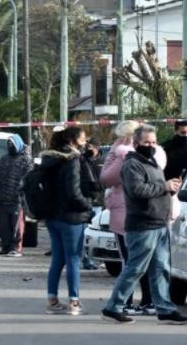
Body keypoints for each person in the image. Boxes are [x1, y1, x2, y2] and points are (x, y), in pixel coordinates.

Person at [101, 125, 187, 325]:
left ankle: (165, 309)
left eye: (153, 142)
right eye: (146, 142)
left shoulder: (152, 163)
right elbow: (137, 190)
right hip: (142, 225)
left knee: (161, 268)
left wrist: (171, 189)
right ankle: (113, 307)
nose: (150, 146)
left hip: (159, 223)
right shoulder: (132, 164)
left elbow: (156, 189)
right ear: (135, 143)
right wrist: (164, 186)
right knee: (136, 268)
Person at [100, 121, 164, 315]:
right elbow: (107, 178)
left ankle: (135, 302)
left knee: (138, 262)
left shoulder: (136, 156)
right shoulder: (139, 156)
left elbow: (108, 177)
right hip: (138, 213)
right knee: (140, 262)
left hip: (138, 214)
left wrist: (117, 154)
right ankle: (135, 302)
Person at [40, 127, 92, 316]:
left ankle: (52, 301)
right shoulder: (72, 160)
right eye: (83, 138)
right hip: (72, 216)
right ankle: (74, 302)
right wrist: (87, 205)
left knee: (58, 259)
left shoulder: (49, 159)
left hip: (52, 216)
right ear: (72, 140)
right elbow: (73, 191)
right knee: (73, 259)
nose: (85, 142)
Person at [0, 134, 32, 257]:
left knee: (17, 227)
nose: (10, 146)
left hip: (17, 200)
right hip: (3, 199)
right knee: (4, 227)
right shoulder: (4, 158)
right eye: (8, 143)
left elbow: (29, 179)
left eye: (12, 143)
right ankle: (5, 247)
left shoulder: (26, 159)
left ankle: (16, 248)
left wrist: (22, 194)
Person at [80, 137, 104, 270]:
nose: (88, 148)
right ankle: (86, 260)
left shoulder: (104, 161)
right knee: (85, 234)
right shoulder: (82, 160)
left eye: (91, 146)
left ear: (97, 147)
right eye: (87, 146)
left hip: (99, 203)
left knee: (97, 234)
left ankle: (98, 258)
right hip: (86, 202)